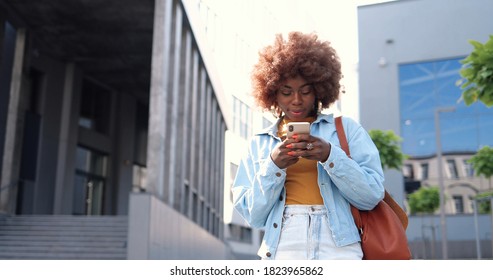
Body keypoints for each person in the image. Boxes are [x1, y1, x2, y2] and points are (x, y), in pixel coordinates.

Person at [231, 31, 385, 260]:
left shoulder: (346, 129)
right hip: (284, 242)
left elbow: (371, 196)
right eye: (286, 92)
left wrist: (331, 156)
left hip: (339, 244)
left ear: (319, 90)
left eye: (305, 91)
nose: (296, 100)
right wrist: (273, 165)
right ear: (272, 93)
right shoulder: (260, 143)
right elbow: (253, 216)